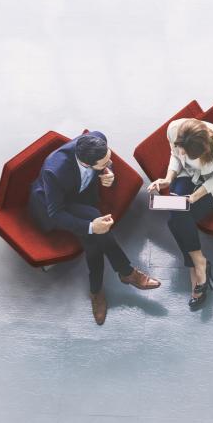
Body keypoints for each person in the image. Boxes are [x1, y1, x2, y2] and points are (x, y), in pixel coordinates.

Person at [29, 131, 161, 325]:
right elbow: (55, 214)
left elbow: (108, 163)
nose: (109, 161)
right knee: (93, 229)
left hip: (83, 197)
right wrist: (91, 227)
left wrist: (109, 173)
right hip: (58, 204)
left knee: (93, 240)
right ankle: (123, 274)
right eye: (103, 163)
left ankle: (99, 289)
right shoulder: (54, 171)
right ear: (86, 164)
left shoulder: (97, 139)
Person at [147, 118, 213, 310]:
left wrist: (194, 196)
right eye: (182, 148)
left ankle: (194, 264)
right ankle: (200, 263)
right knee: (178, 215)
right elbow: (175, 155)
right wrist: (167, 179)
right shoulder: (175, 129)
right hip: (189, 173)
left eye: (187, 152)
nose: (182, 153)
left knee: (177, 220)